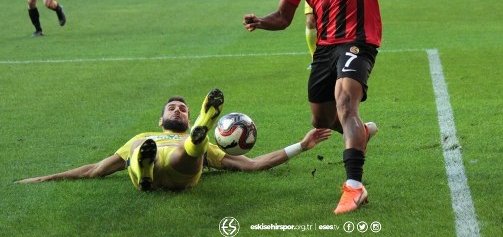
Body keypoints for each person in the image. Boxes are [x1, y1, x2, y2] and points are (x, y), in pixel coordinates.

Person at [243, 0, 473, 214]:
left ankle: (354, 186)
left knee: (345, 105)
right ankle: (361, 133)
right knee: (321, 119)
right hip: (325, 48)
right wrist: (261, 21)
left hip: (359, 40)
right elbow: (283, 17)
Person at [16, 89, 332, 190]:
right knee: (144, 147)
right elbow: (94, 170)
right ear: (161, 119)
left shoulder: (207, 149)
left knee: (187, 153)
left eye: (183, 109)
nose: (177, 110)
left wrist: (302, 146)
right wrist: (44, 177)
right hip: (152, 156)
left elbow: (252, 165)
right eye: (173, 108)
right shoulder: (141, 136)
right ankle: (146, 169)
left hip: (183, 167)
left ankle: (186, 142)